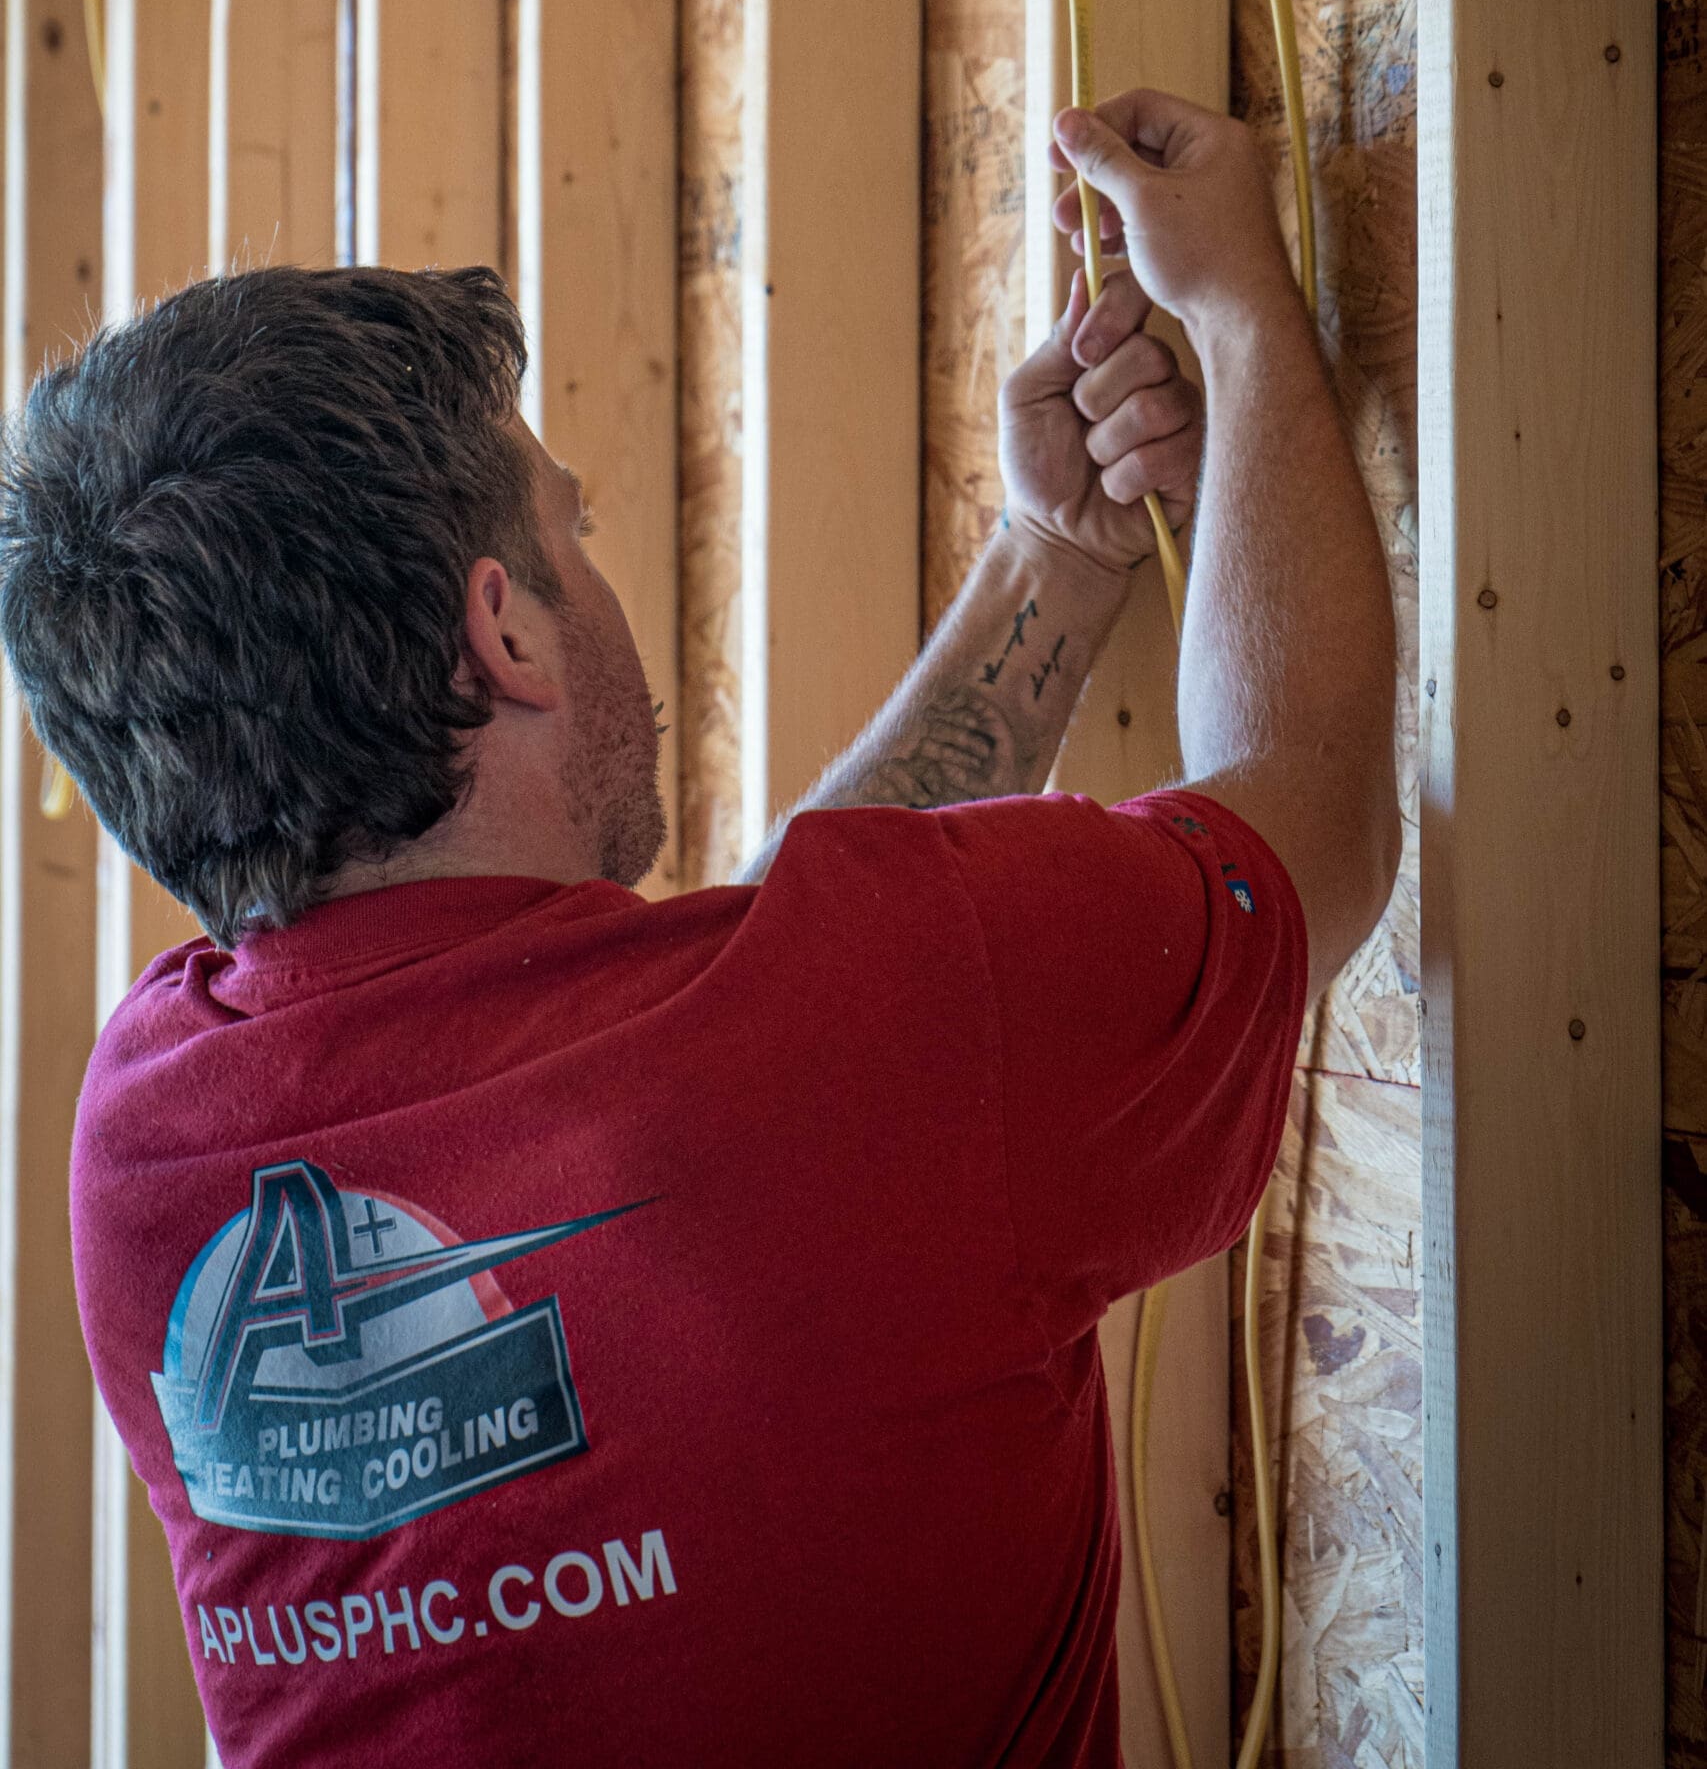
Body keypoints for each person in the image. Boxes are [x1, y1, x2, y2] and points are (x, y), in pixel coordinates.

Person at [0, 87, 1398, 1769]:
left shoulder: (144, 1149)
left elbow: (743, 1024)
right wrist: (1240, 308)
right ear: (502, 639)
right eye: (567, 524)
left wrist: (1052, 557)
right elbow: (1309, 813)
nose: (593, 565)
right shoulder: (867, 1038)